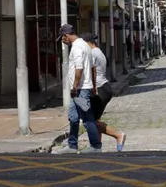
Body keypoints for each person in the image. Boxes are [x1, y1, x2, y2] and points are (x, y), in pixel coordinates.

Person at [53, 24, 102, 154]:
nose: (63, 42)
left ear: (66, 35)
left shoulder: (77, 48)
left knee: (87, 118)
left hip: (80, 89)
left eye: (63, 39)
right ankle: (72, 145)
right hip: (81, 88)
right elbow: (92, 67)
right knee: (73, 117)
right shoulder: (85, 45)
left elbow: (79, 68)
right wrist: (93, 85)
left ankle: (96, 146)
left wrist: (75, 86)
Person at [80, 33, 127, 152]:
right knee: (94, 120)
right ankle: (96, 146)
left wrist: (92, 88)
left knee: (89, 121)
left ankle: (118, 135)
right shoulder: (98, 52)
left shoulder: (92, 53)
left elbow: (92, 72)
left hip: (99, 89)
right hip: (103, 88)